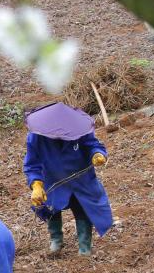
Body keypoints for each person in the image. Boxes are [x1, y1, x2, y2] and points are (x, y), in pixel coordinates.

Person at [22, 102, 113, 256]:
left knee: (83, 210)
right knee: (51, 209)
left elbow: (93, 145)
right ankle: (56, 240)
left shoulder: (81, 130)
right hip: (53, 180)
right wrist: (36, 186)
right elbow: (32, 164)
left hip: (80, 180)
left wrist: (97, 154)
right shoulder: (36, 137)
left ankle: (85, 246)